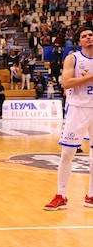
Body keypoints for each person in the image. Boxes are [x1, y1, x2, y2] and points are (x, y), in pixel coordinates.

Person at [44, 26, 93, 211]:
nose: (88, 37)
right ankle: (61, 195)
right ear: (79, 41)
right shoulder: (73, 58)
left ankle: (91, 195)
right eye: (84, 36)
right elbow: (66, 83)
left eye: (91, 35)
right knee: (67, 154)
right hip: (77, 109)